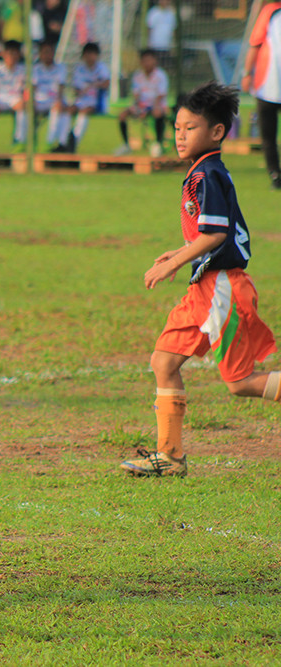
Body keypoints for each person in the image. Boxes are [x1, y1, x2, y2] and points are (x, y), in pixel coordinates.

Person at [120, 82, 281, 478]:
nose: (179, 135)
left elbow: (216, 235)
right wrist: (179, 252)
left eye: (189, 128)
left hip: (222, 288)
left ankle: (170, 456)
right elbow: (211, 232)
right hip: (206, 289)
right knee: (163, 361)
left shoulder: (207, 175)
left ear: (216, 132)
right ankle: (170, 457)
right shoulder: (202, 173)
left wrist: (173, 263)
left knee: (240, 381)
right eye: (177, 128)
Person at [242, 1, 281, 190]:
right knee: (268, 135)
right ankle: (274, 173)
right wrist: (247, 73)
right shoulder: (270, 11)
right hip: (268, 85)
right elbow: (255, 44)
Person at [114, 49, 169, 157]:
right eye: (144, 60)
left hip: (156, 105)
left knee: (157, 112)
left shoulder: (161, 75)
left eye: (149, 60)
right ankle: (126, 145)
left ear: (155, 61)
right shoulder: (137, 75)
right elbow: (136, 94)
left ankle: (158, 144)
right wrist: (137, 107)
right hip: (142, 105)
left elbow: (161, 95)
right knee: (122, 115)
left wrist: (154, 106)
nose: (147, 63)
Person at [60, 41, 109, 153]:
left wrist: (94, 85)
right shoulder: (79, 69)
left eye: (92, 54)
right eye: (87, 54)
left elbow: (106, 83)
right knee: (68, 111)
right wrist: (80, 91)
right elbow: (76, 89)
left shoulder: (102, 68)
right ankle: (63, 142)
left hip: (97, 102)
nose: (90, 57)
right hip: (81, 101)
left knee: (84, 112)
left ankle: (74, 142)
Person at [31, 39, 69, 151]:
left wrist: (59, 101)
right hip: (39, 101)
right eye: (45, 52)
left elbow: (61, 88)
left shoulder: (60, 68)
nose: (48, 55)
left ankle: (60, 144)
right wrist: (30, 101)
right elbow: (32, 88)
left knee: (62, 111)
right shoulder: (35, 69)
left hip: (54, 101)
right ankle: (23, 142)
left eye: (50, 51)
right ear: (40, 54)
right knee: (24, 109)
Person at [146, 0, 176, 69]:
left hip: (166, 46)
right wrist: (149, 43)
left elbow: (173, 30)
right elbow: (149, 29)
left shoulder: (171, 13)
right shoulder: (153, 12)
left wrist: (173, 44)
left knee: (165, 66)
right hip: (155, 45)